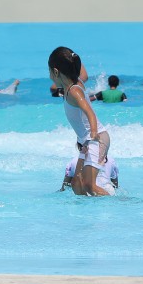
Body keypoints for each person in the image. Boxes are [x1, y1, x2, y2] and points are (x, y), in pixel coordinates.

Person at [48, 46, 110, 196]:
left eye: (49, 71)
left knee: (89, 186)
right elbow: (84, 74)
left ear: (56, 72)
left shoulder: (74, 91)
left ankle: (119, 203)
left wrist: (94, 131)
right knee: (77, 186)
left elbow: (89, 111)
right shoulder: (77, 82)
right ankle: (90, 213)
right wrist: (72, 56)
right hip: (87, 141)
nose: (49, 75)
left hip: (97, 138)